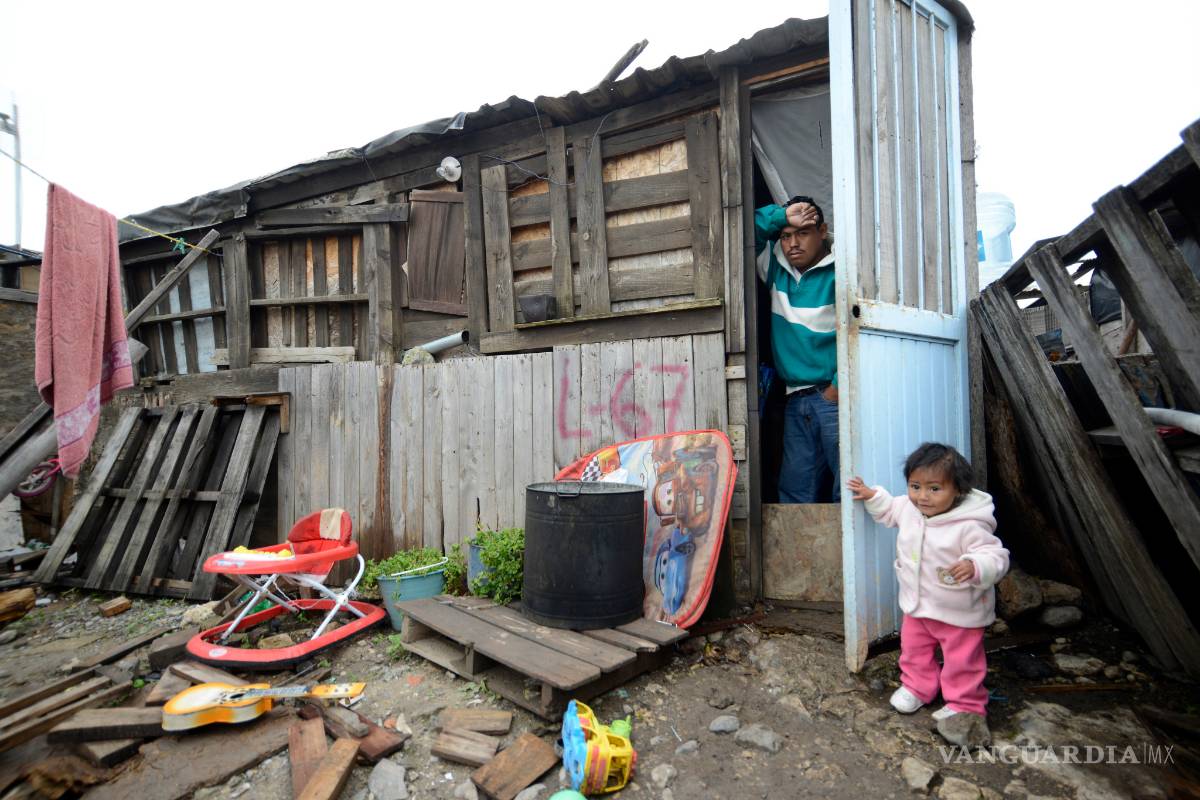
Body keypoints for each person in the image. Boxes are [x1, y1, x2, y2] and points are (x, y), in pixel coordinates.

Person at [846, 443, 1009, 724]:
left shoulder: (969, 524)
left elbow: (996, 556)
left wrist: (974, 564)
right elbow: (889, 508)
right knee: (913, 651)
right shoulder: (909, 509)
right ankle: (918, 687)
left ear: (958, 489)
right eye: (915, 486)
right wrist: (871, 495)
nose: (923, 496)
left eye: (935, 489)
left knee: (962, 660)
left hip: (960, 610)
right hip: (918, 605)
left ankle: (965, 703)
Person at [755, 195, 838, 503]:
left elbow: (858, 329)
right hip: (794, 399)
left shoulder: (841, 270)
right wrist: (781, 215)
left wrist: (838, 386)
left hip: (834, 397)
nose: (793, 244)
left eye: (802, 233)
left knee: (847, 486)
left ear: (822, 232)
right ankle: (801, 554)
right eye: (786, 236)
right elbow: (739, 232)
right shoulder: (775, 266)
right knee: (796, 490)